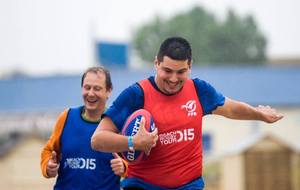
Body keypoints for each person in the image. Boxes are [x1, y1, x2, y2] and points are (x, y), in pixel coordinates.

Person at [90, 37, 283, 190]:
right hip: (143, 186)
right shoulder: (136, 95)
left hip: (189, 186)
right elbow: (97, 140)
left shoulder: (199, 90)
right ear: (156, 63)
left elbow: (231, 108)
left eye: (181, 72)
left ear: (190, 67)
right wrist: (134, 142)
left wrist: (259, 114)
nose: (173, 79)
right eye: (167, 70)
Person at [40, 66, 127, 190]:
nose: (90, 94)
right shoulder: (66, 117)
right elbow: (48, 151)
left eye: (97, 88)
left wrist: (123, 167)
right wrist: (48, 166)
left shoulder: (118, 123)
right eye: (87, 88)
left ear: (109, 91)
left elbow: (135, 163)